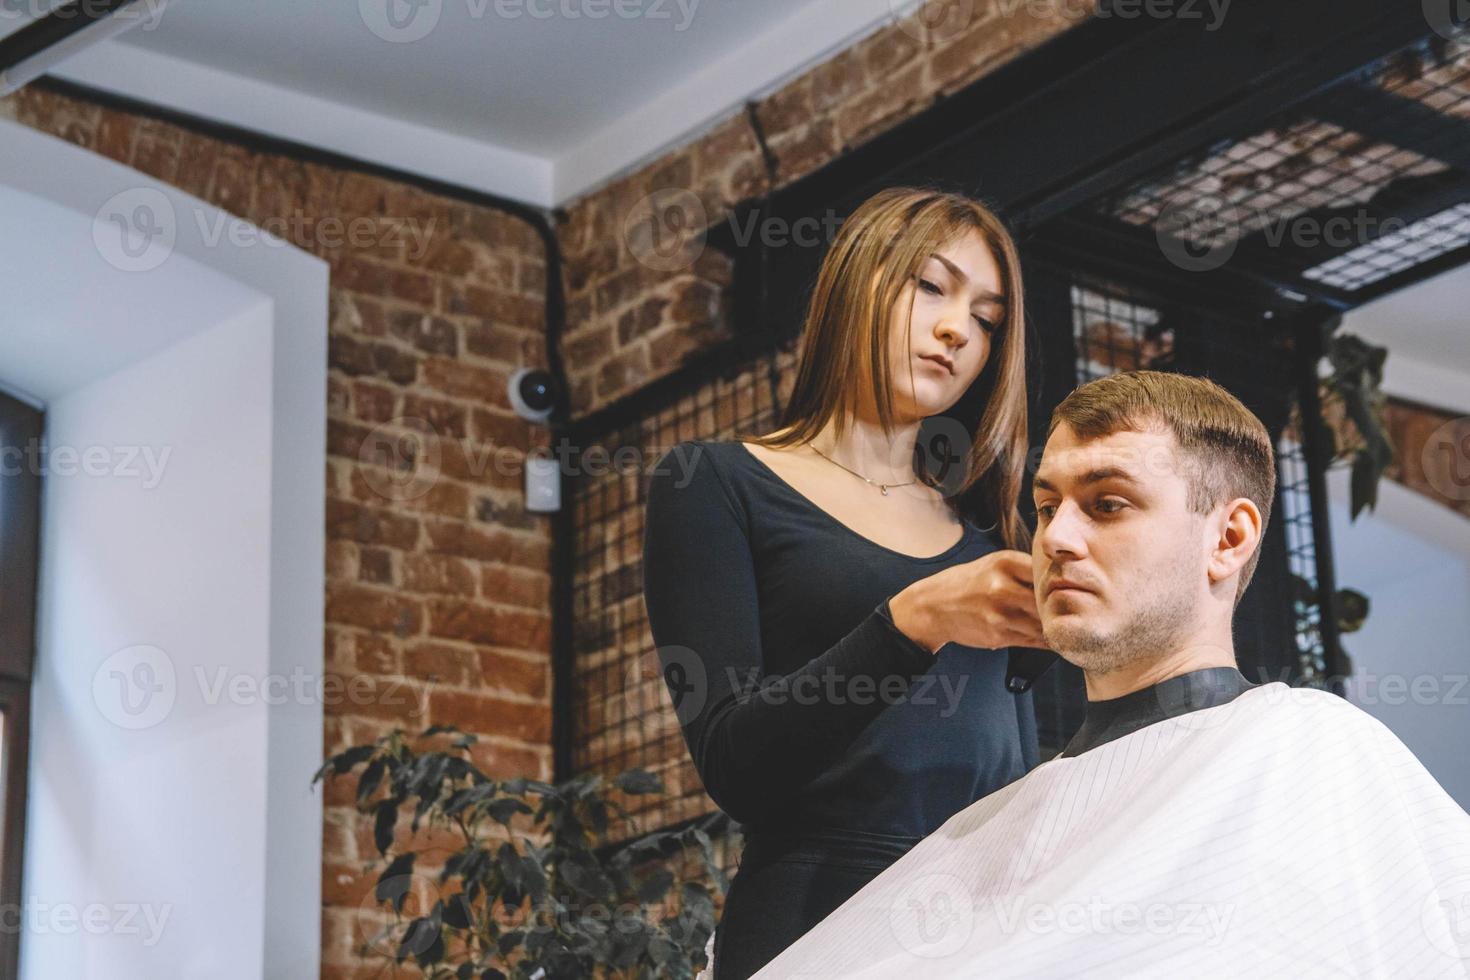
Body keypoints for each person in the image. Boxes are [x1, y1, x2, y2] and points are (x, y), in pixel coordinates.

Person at [750, 370, 1470, 978]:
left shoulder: (1309, 749)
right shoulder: (991, 826)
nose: (1055, 539)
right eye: (1045, 506)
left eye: (1108, 504)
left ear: (1229, 537)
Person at [642, 186, 1050, 980]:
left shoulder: (995, 539)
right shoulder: (716, 484)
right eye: (931, 286)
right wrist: (911, 623)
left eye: (987, 319)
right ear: (856, 284)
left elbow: (1019, 784)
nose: (956, 330)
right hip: (816, 927)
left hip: (986, 936)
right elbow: (734, 764)